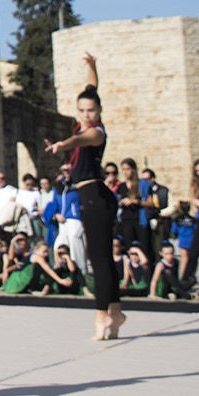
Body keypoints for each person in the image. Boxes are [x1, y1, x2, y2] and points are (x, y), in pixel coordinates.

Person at [44, 52, 125, 340]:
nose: (86, 115)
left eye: (91, 110)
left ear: (99, 111)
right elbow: (92, 87)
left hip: (95, 197)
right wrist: (92, 66)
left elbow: (80, 139)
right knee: (101, 257)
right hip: (89, 196)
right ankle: (114, 312)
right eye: (82, 110)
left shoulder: (96, 133)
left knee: (99, 259)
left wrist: (63, 144)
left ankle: (101, 315)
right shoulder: (84, 121)